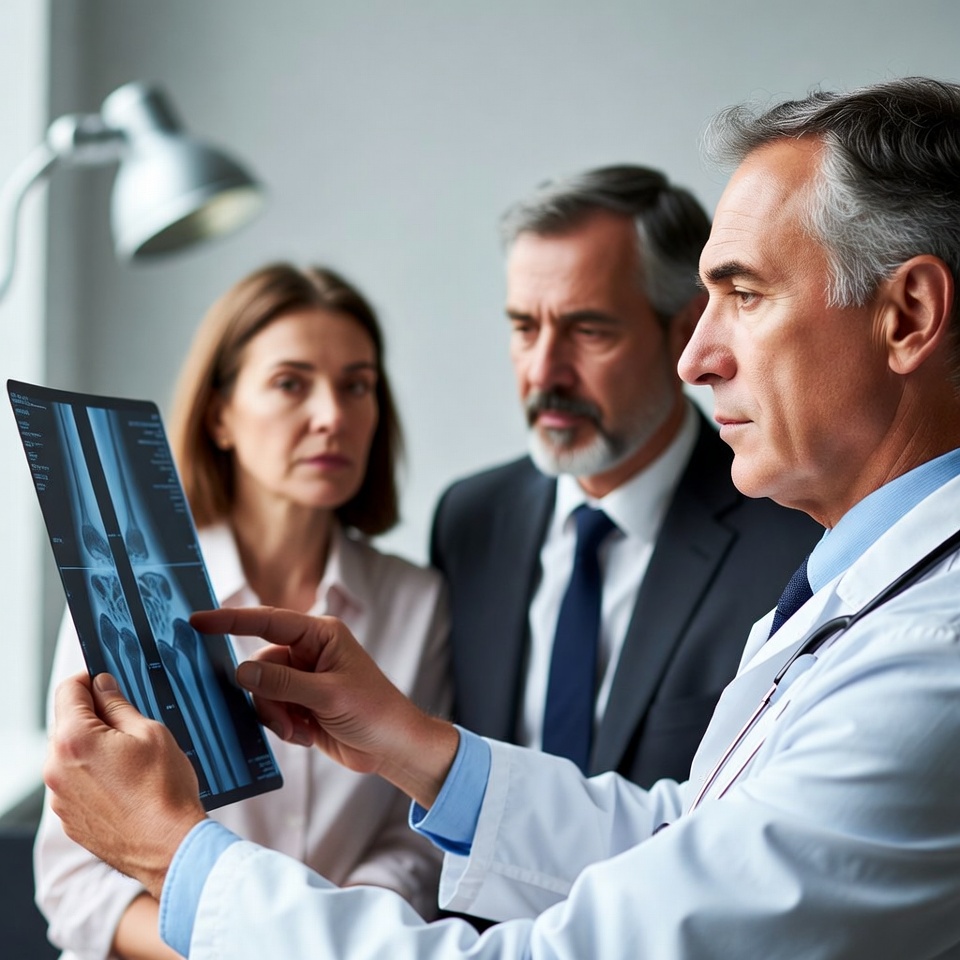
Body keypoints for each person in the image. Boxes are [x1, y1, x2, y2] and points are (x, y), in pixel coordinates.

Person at [45, 75, 960, 958]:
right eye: (523, 326)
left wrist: (178, 858)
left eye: (747, 294)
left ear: (908, 315)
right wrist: (415, 744)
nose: (698, 360)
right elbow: (686, 838)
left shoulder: (929, 660)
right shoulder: (855, 588)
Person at [34, 263, 451, 959]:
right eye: (292, 383)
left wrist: (319, 942)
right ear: (221, 413)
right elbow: (74, 879)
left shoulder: (418, 603)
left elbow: (415, 840)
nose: (333, 415)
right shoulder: (120, 587)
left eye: (358, 385)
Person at [431, 165, 821, 786]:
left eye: (588, 331)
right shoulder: (470, 519)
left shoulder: (793, 535)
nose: (545, 372)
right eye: (524, 328)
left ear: (687, 328)